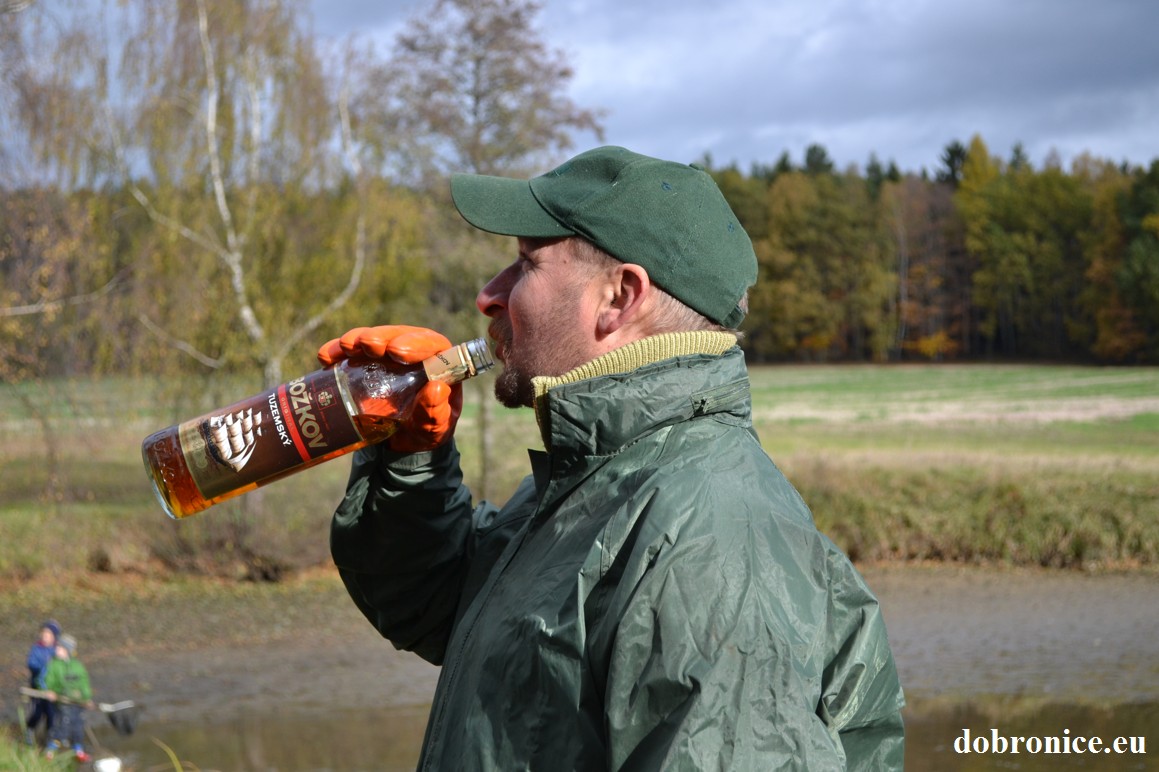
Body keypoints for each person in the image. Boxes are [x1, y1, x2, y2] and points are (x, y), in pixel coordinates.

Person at [322, 145, 905, 770]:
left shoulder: (707, 542)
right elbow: (437, 607)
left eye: (526, 264)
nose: (488, 295)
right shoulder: (596, 474)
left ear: (619, 297)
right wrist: (413, 460)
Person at [43, 633, 94, 764]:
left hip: (77, 703)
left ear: (68, 650)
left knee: (78, 726)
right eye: (57, 647)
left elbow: (84, 683)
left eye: (60, 648)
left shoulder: (77, 665)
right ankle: (50, 750)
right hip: (62, 702)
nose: (57, 650)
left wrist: (86, 698)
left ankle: (78, 750)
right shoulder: (53, 665)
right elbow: (46, 680)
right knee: (62, 725)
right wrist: (50, 691)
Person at [23, 619, 60, 745]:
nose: (45, 636)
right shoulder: (37, 649)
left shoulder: (57, 650)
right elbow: (31, 663)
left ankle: (50, 737)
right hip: (37, 689)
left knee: (51, 714)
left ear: (54, 637)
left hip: (52, 690)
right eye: (43, 633)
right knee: (37, 713)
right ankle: (29, 730)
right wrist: (44, 666)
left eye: (48, 634)